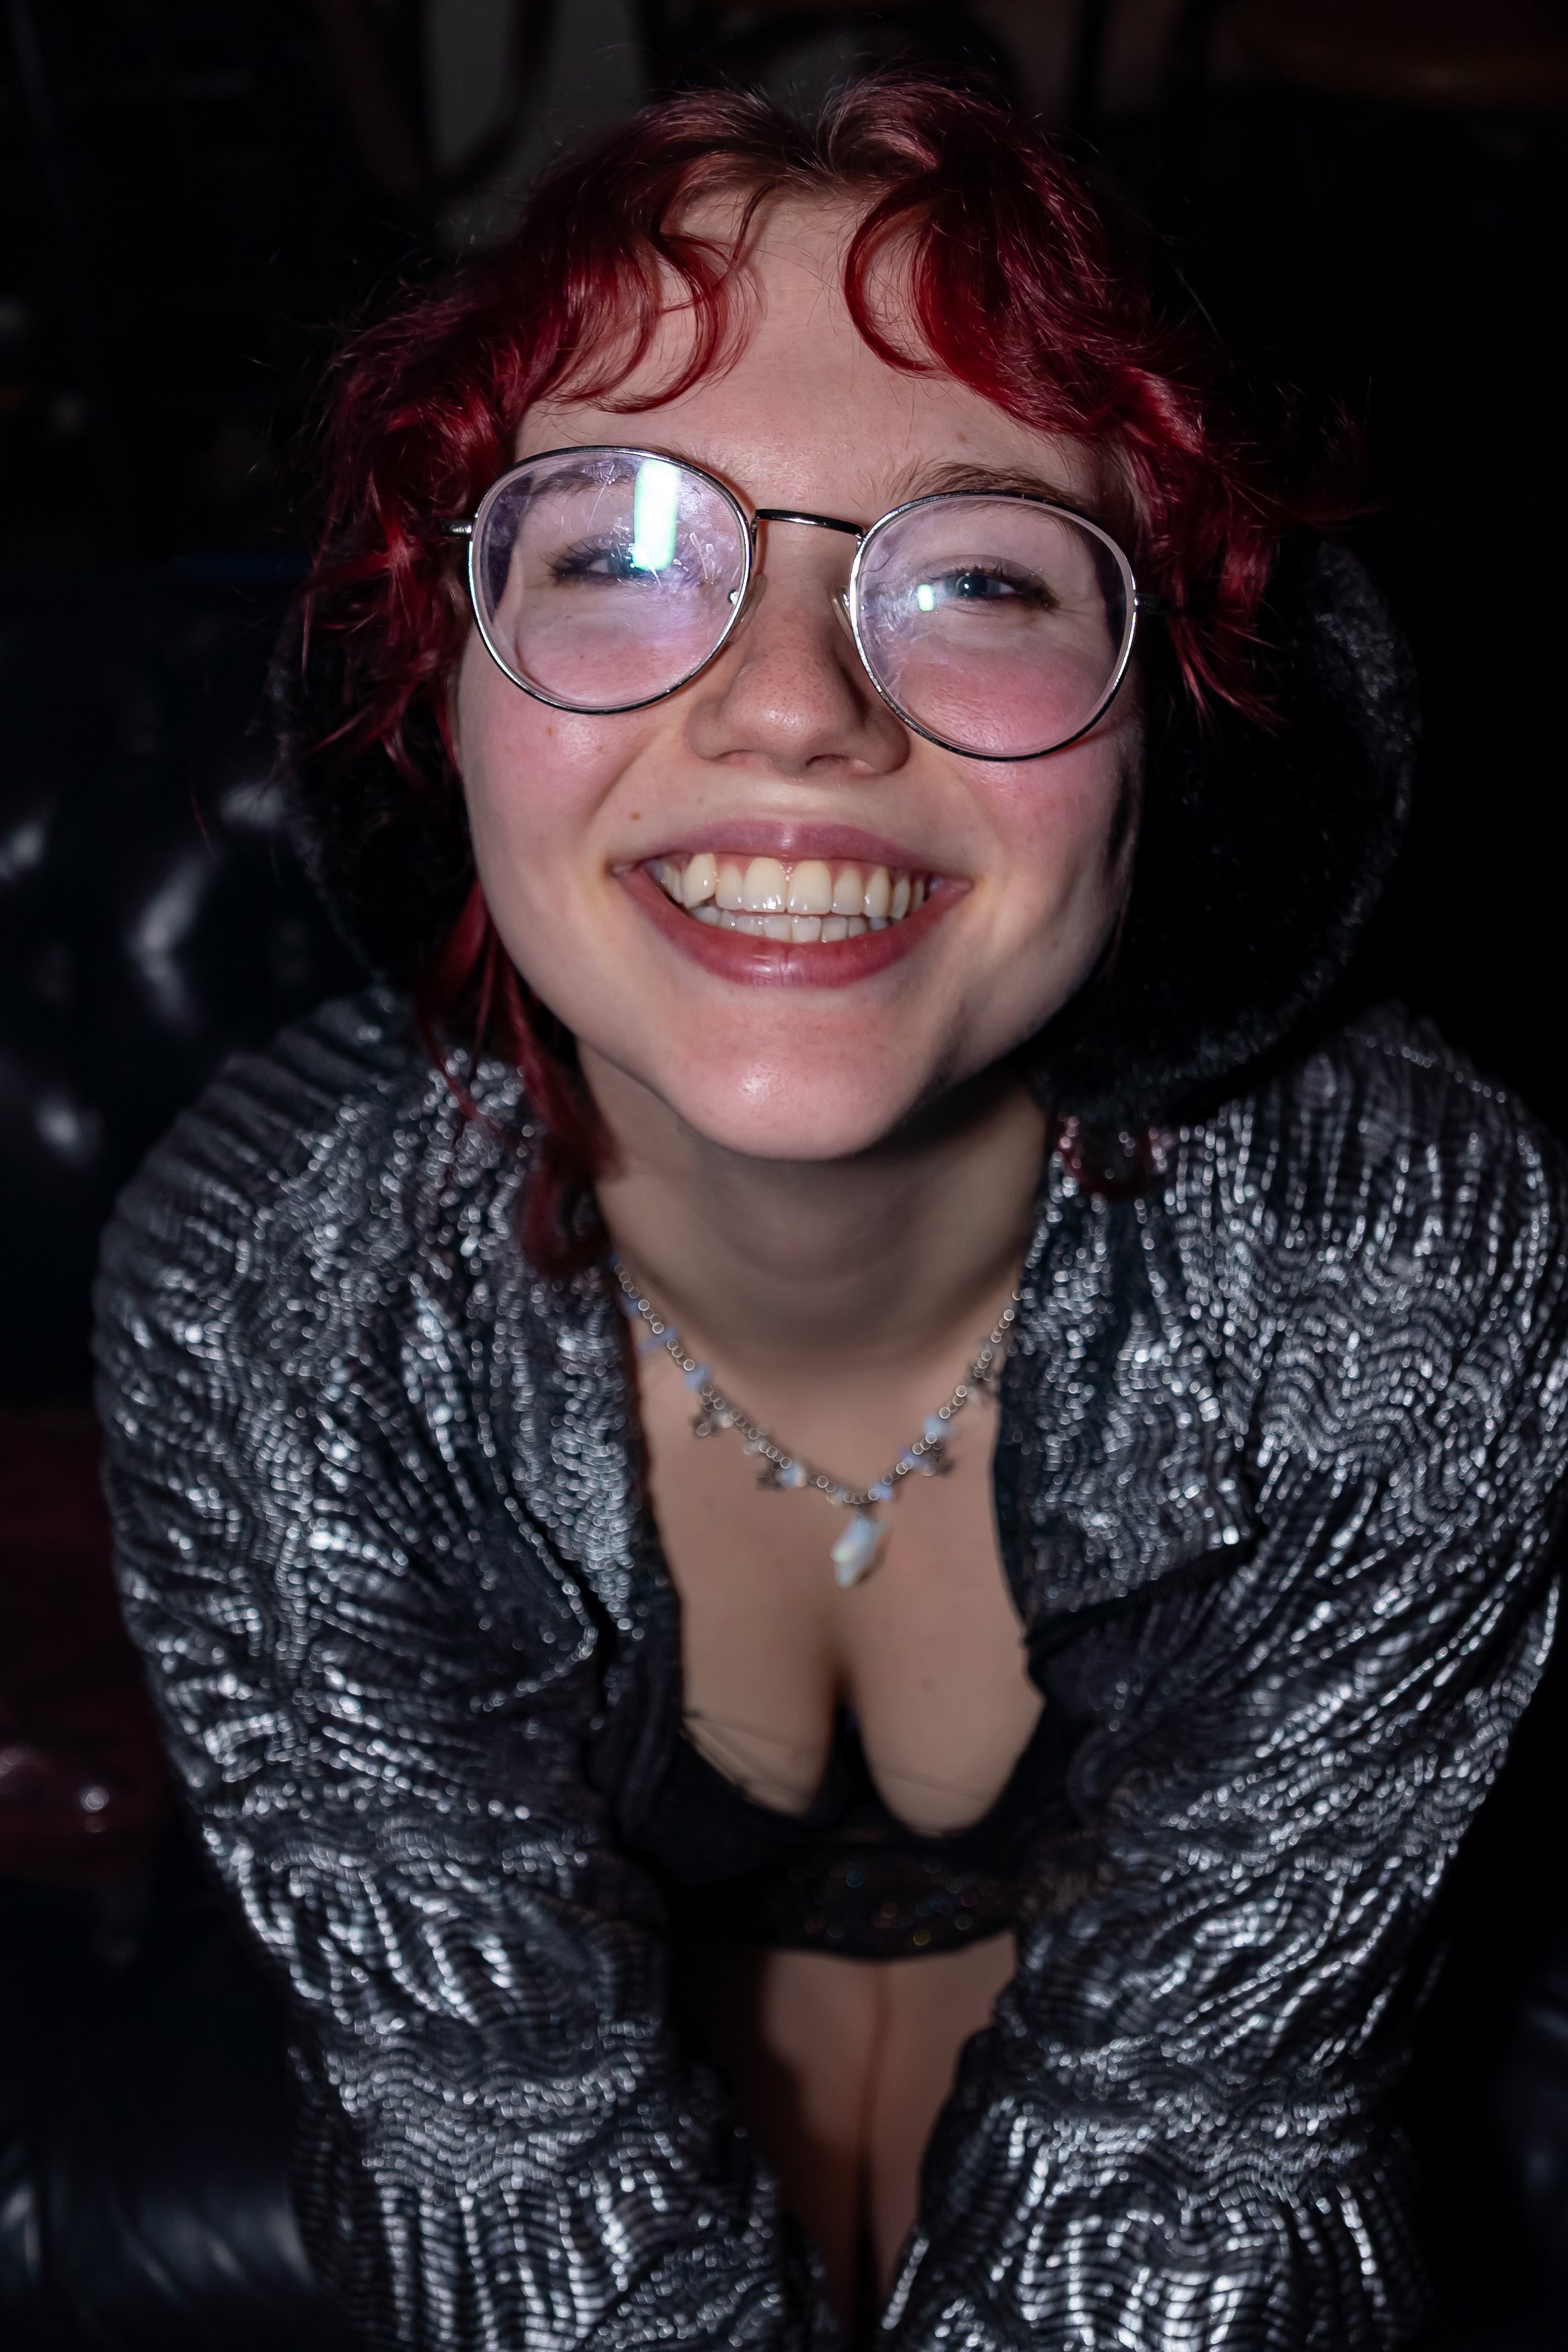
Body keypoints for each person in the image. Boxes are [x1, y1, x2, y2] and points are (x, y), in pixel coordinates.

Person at [94, 75, 1568, 2352]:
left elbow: (1183, 2167)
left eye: (976, 575)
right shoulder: (277, 1302)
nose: (788, 708)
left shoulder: (1397, 1257)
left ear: (1174, 729)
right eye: (611, 550)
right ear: (437, 691)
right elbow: (493, 2151)